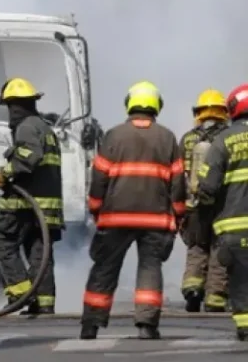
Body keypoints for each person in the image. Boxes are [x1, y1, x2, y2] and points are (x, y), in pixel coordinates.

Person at [80, 81, 185, 340]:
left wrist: (96, 210)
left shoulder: (113, 136)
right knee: (150, 269)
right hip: (155, 220)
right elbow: (178, 183)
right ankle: (147, 325)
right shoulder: (167, 137)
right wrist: (178, 215)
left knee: (104, 268)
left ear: (130, 104)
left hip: (115, 218)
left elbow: (99, 179)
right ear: (156, 106)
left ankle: (90, 324)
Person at [0, 77, 64, 315]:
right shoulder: (44, 127)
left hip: (25, 205)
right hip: (46, 208)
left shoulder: (26, 127)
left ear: (14, 105)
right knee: (39, 254)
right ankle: (43, 304)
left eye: (10, 106)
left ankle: (20, 294)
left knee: (3, 241)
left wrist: (6, 173)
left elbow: (28, 156)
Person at [196, 83, 248, 340]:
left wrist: (204, 214)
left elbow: (207, 186)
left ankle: (245, 326)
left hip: (234, 228)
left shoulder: (223, 141)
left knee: (240, 279)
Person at [179, 89, 229, 312]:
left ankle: (192, 289)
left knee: (196, 248)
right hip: (222, 205)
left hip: (193, 206)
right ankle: (215, 298)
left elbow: (179, 173)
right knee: (218, 249)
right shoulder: (228, 136)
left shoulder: (188, 139)